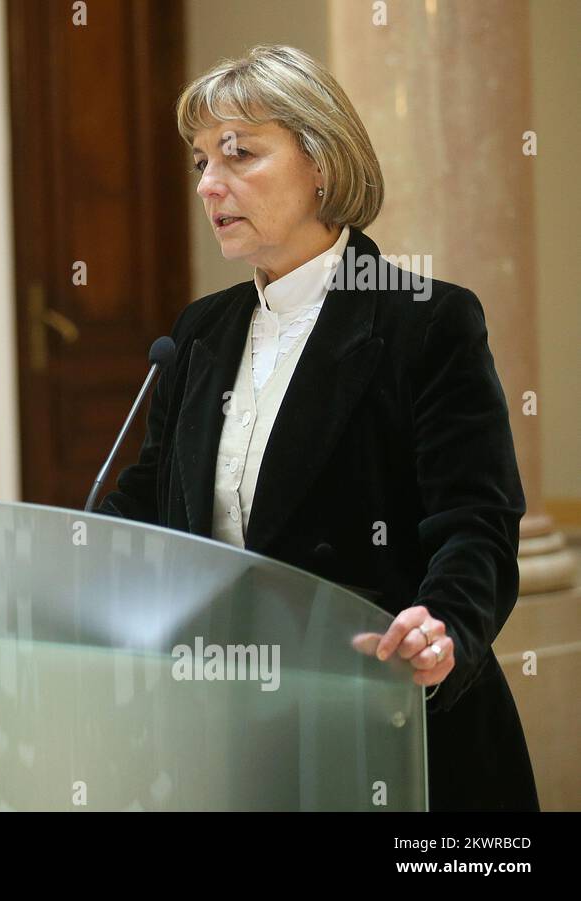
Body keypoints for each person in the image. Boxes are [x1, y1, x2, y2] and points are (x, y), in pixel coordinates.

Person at [98, 45, 537, 811]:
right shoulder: (200, 334)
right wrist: (59, 562)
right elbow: (150, 500)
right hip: (236, 730)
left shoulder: (426, 322)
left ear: (322, 163)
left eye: (239, 153)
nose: (209, 184)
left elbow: (477, 522)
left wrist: (445, 632)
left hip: (393, 724)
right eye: (200, 160)